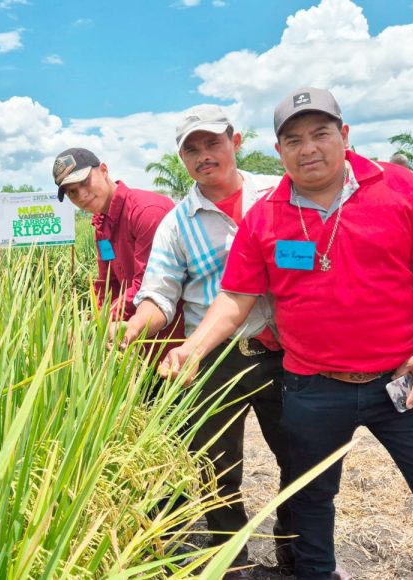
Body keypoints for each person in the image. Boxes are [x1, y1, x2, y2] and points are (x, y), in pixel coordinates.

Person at [159, 87, 413, 580]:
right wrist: (191, 348)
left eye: (320, 134)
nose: (308, 149)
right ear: (279, 150)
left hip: (404, 380)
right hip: (312, 387)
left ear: (344, 135)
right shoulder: (264, 216)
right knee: (309, 503)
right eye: (294, 140)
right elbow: (235, 297)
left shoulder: (398, 187)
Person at [118, 105, 293, 577]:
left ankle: (294, 549)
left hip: (286, 352)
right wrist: (132, 327)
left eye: (212, 143)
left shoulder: (279, 193)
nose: (203, 155)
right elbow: (159, 294)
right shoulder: (178, 223)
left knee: (300, 456)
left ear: (235, 142)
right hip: (215, 358)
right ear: (182, 159)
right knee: (217, 469)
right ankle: (231, 562)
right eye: (191, 149)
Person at [52, 147, 184, 351]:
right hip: (134, 335)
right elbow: (108, 282)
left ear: (104, 170)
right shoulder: (101, 223)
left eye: (85, 182)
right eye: (72, 192)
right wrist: (96, 319)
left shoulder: (146, 212)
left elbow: (148, 285)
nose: (82, 195)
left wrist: (100, 323)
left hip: (173, 337)